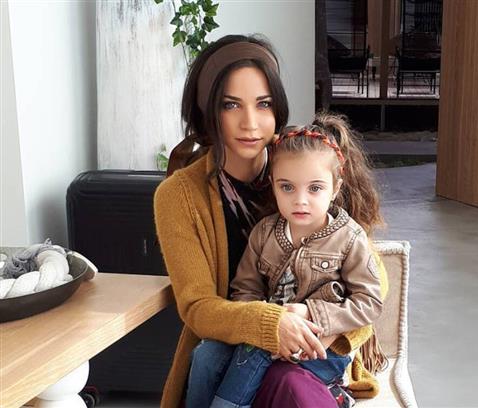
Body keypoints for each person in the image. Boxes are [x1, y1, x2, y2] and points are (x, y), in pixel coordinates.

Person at [153, 34, 387, 408]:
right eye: (231, 104)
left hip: (315, 345)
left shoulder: (302, 164)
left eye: (263, 104)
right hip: (229, 348)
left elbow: (374, 277)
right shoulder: (179, 195)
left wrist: (317, 327)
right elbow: (197, 307)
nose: (250, 123)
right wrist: (270, 324)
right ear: (206, 109)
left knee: (289, 384)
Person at [193, 116, 385, 408]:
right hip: (267, 336)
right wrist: (264, 321)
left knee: (266, 366)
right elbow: (245, 289)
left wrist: (311, 314)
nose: (300, 200)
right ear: (273, 185)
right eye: (287, 187)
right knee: (207, 355)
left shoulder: (349, 238)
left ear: (335, 188)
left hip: (322, 349)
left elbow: (369, 302)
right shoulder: (264, 233)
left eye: (315, 188)